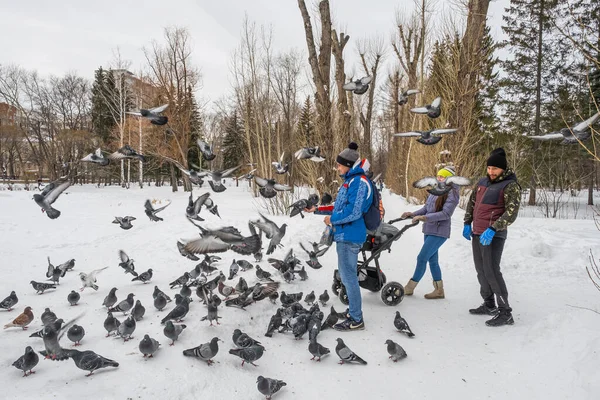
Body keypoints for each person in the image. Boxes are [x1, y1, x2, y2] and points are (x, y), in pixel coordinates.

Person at [305, 142, 373, 331]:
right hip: (344, 234)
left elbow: (353, 212)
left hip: (350, 235)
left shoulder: (359, 182)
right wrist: (317, 209)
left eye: (339, 164)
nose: (337, 167)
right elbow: (339, 206)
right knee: (346, 276)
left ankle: (356, 319)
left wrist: (331, 219)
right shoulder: (350, 181)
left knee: (349, 277)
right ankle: (353, 311)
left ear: (349, 165)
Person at [463, 148, 521, 327]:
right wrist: (467, 222)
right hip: (477, 233)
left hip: (493, 235)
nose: (491, 172)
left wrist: (494, 229)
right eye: (489, 168)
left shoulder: (510, 185)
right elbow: (472, 203)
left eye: (495, 169)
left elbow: (511, 213)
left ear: (503, 169)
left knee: (492, 271)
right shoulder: (482, 182)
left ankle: (505, 312)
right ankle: (489, 304)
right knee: (481, 270)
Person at [401, 166, 460, 299]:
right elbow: (426, 208)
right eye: (438, 176)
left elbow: (446, 213)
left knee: (422, 258)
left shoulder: (453, 193)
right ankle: (439, 291)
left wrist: (425, 218)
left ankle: (410, 287)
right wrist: (412, 214)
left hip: (440, 231)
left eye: (443, 177)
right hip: (429, 229)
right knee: (433, 261)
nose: (439, 179)